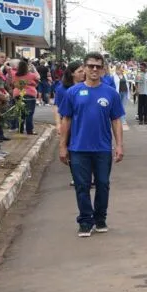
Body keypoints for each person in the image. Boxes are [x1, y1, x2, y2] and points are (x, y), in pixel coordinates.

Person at [57, 53, 124, 237]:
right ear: (84, 68)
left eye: (98, 66)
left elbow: (116, 120)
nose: (94, 69)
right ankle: (86, 221)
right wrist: (62, 146)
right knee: (82, 185)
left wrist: (119, 145)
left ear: (103, 69)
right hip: (78, 148)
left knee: (103, 184)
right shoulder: (73, 92)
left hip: (102, 148)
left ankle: (100, 218)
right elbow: (66, 120)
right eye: (91, 66)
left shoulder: (110, 93)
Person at [10, 60, 40, 135]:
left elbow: (13, 83)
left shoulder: (15, 75)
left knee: (20, 113)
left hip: (17, 94)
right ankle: (29, 130)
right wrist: (34, 70)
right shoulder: (32, 75)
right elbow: (38, 79)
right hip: (30, 94)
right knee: (29, 113)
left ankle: (20, 129)